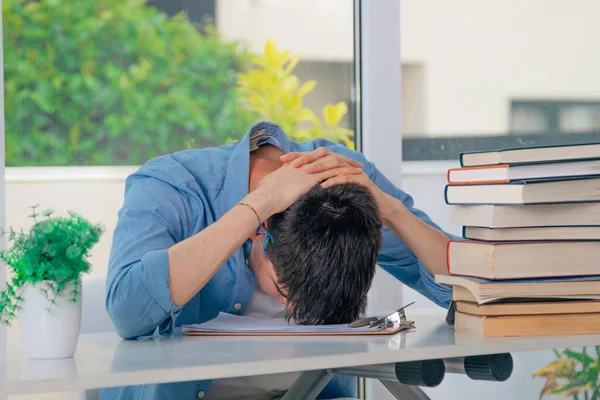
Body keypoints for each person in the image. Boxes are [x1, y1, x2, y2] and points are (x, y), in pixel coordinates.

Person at [101, 121, 452, 400]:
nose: (295, 312)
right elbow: (127, 313)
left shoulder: (343, 183)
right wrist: (258, 206)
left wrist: (391, 210)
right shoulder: (172, 186)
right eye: (282, 290)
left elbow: (472, 292)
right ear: (260, 234)